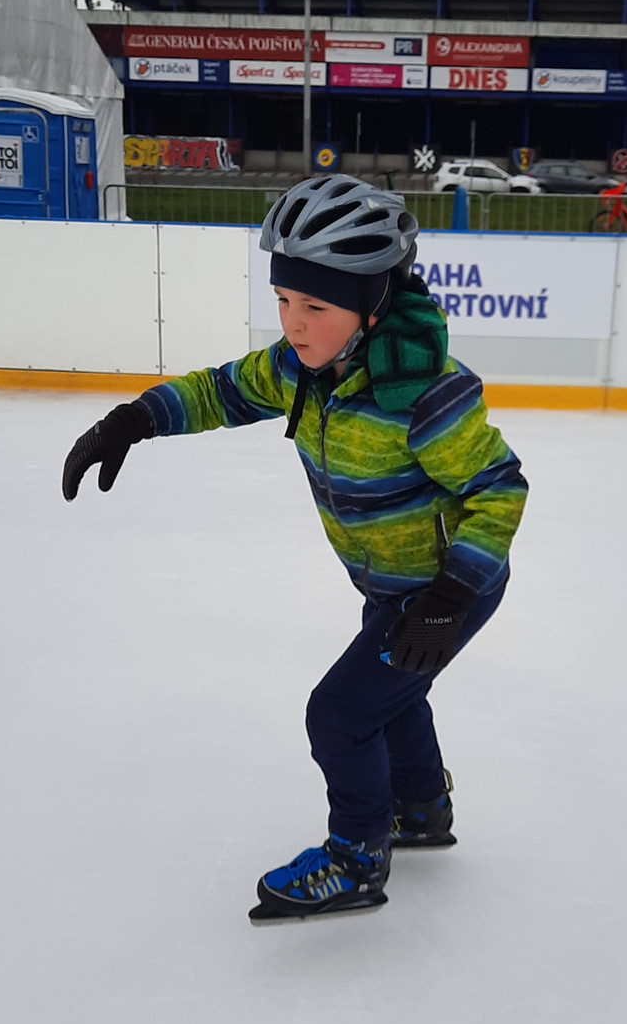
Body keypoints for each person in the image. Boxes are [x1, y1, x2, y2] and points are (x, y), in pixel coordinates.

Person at [62, 175, 528, 925]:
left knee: (339, 715)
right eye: (283, 300)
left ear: (371, 305)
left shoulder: (423, 395)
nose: (294, 324)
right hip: (390, 583)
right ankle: (420, 808)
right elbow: (220, 391)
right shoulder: (299, 370)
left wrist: (447, 599)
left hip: (450, 587)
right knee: (392, 692)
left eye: (315, 306)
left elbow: (499, 487)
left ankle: (356, 858)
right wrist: (133, 420)